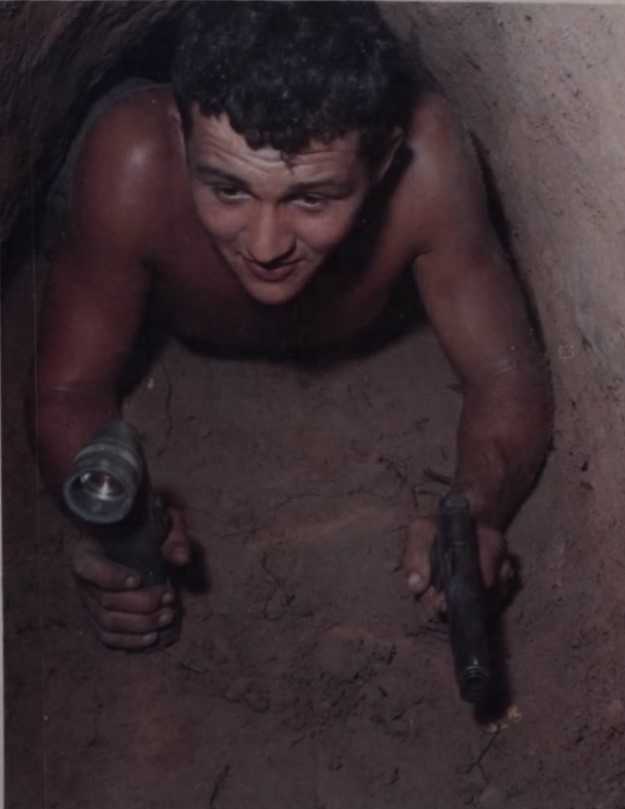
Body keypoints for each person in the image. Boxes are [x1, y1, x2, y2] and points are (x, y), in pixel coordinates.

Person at [32, 1, 552, 650]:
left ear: (386, 158)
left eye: (312, 197)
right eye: (228, 190)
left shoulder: (430, 164)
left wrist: (473, 511)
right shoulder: (134, 161)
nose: (267, 243)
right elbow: (68, 390)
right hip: (110, 162)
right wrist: (110, 528)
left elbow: (505, 374)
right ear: (181, 131)